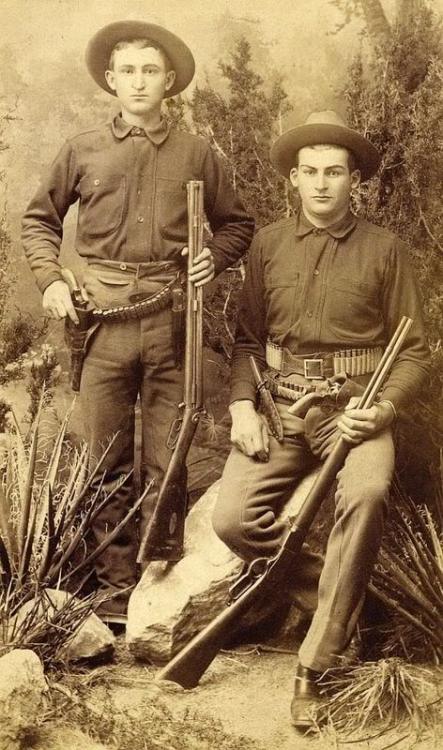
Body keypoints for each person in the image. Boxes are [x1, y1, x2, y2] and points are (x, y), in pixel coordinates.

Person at [22, 20, 254, 624]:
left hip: (172, 315)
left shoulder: (198, 152)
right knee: (104, 453)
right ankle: (114, 590)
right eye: (127, 70)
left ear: (170, 81)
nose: (138, 82)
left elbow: (238, 224)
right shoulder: (82, 148)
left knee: (170, 451)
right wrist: (51, 281)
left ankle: (161, 581)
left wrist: (215, 256)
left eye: (151, 70)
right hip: (99, 316)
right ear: (109, 79)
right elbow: (38, 221)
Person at [212, 110, 430, 731]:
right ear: (293, 180)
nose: (321, 184)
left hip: (356, 408)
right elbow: (248, 341)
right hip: (280, 407)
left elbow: (413, 349)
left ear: (354, 179)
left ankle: (315, 665)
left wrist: (382, 409)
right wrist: (241, 406)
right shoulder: (267, 246)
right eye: (309, 172)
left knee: (366, 492)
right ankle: (357, 602)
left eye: (335, 172)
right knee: (232, 519)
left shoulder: (385, 250)